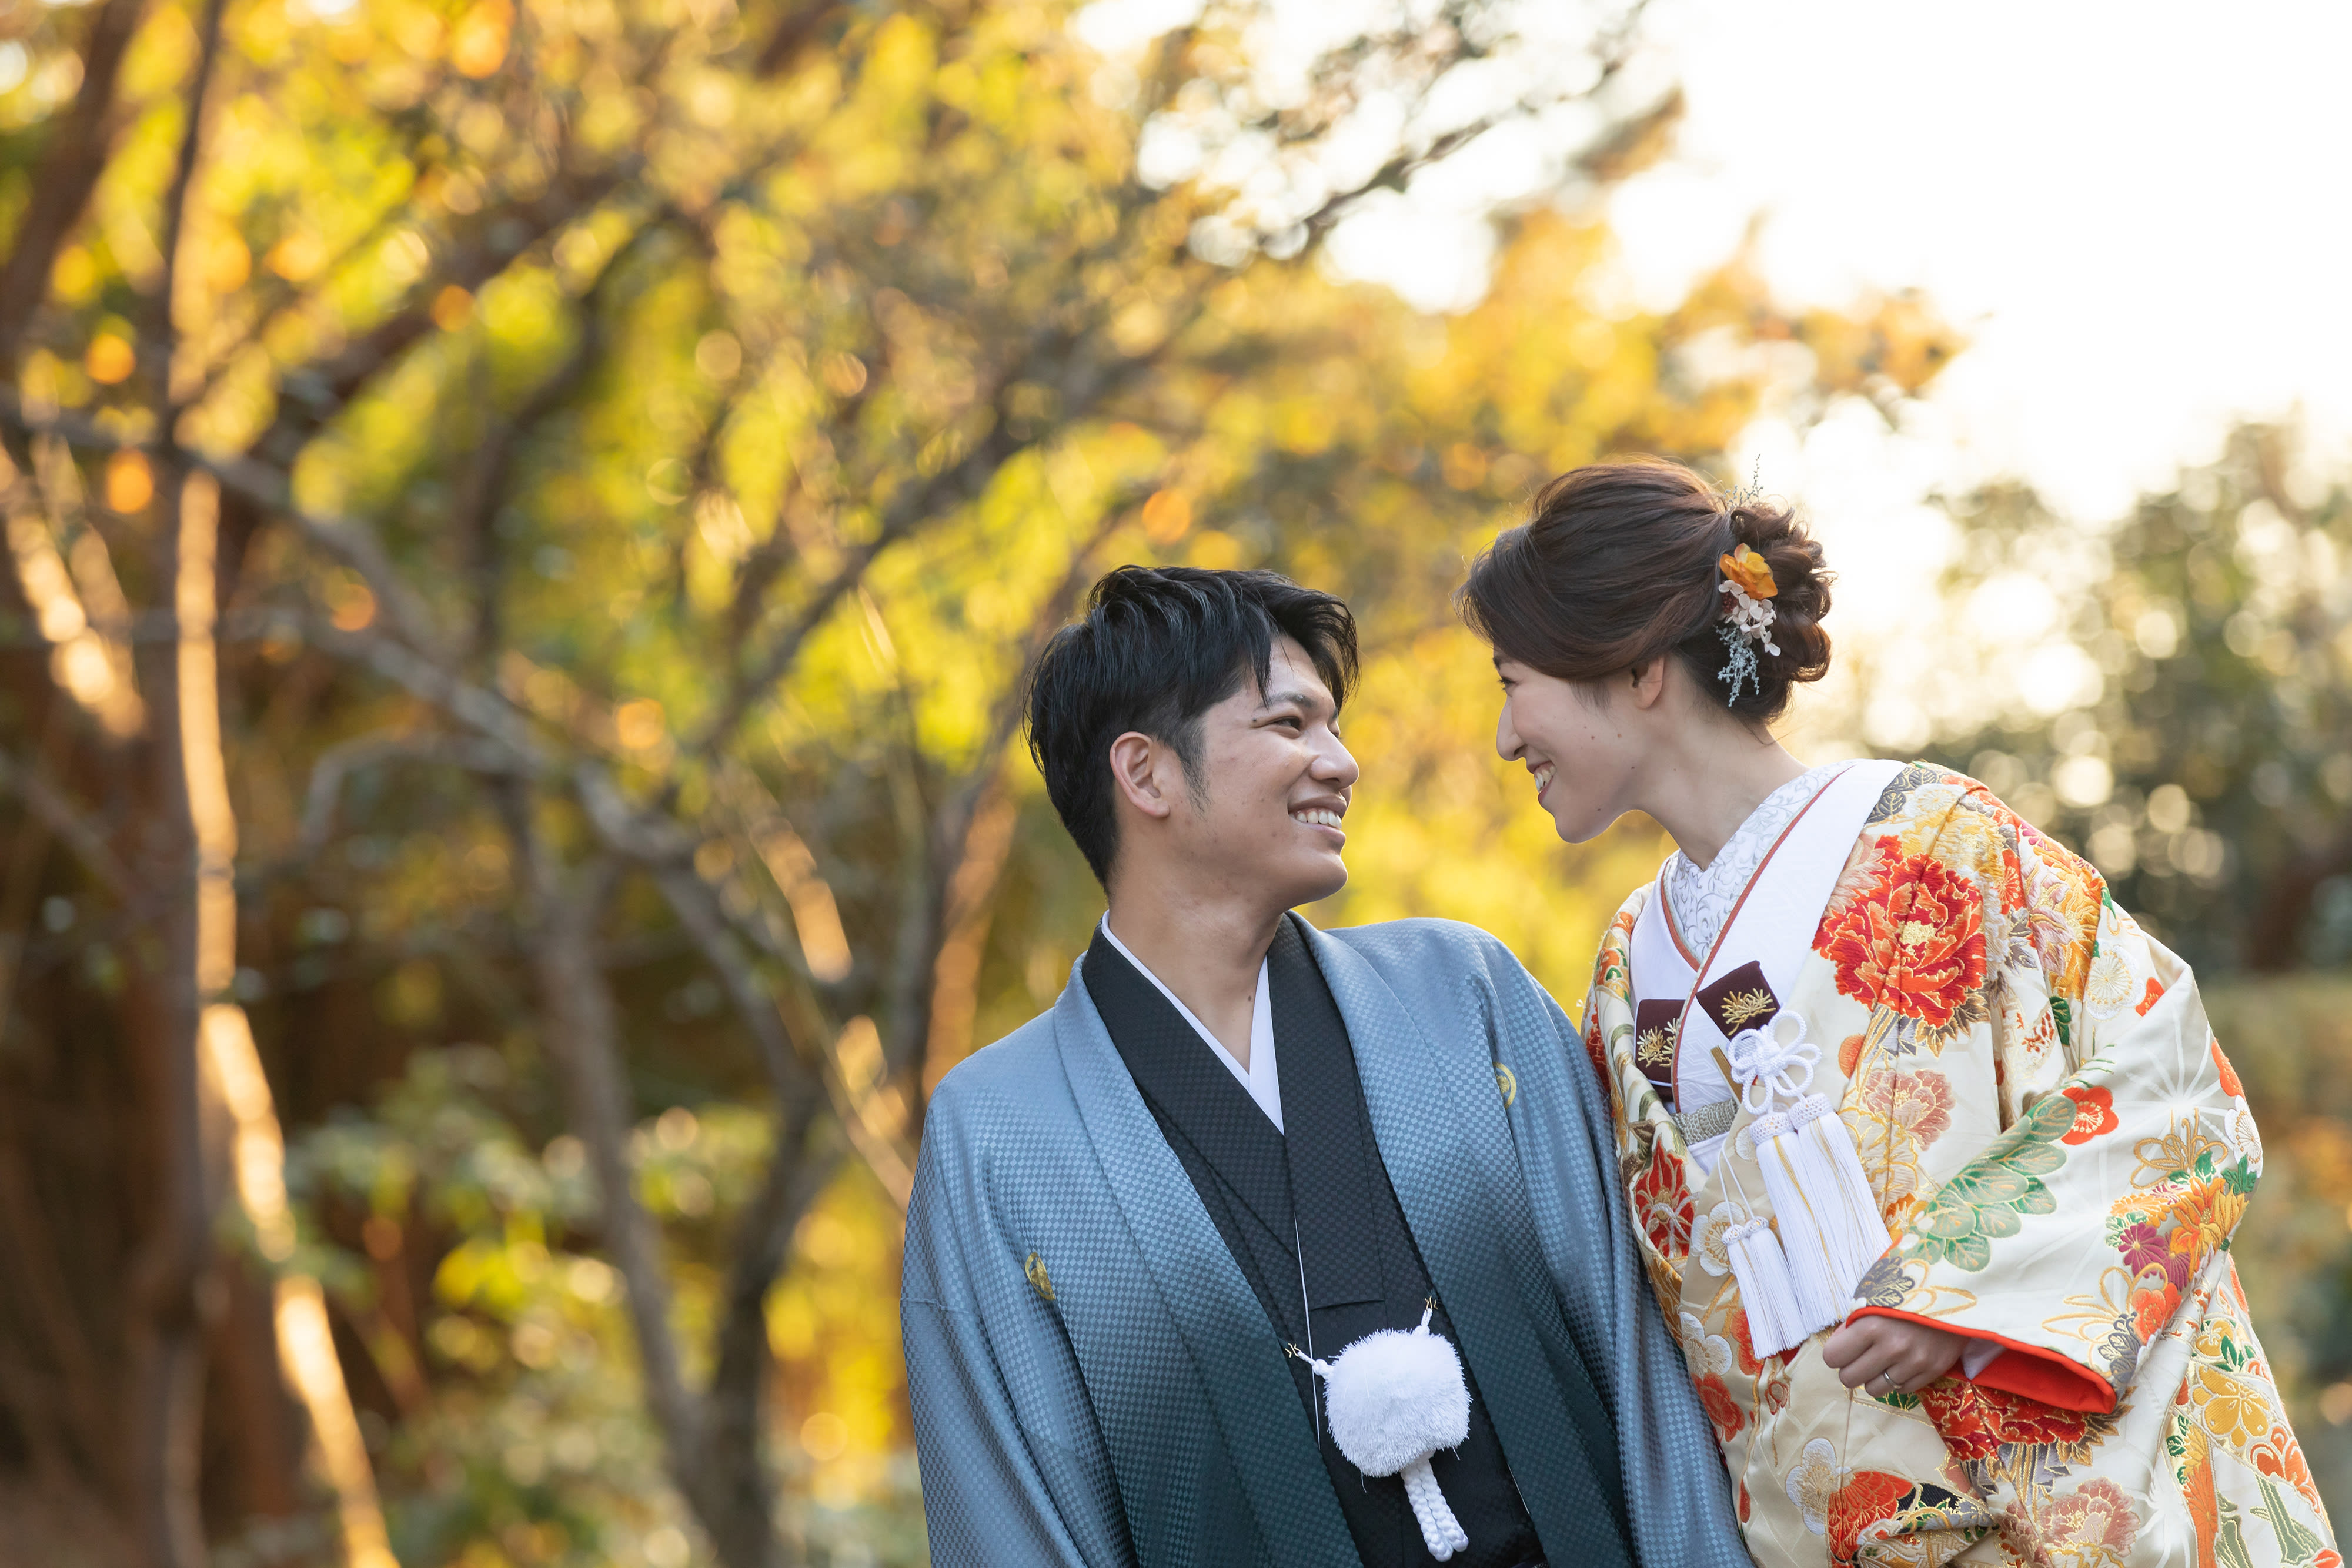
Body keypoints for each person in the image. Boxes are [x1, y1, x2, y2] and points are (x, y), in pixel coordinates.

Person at [1459, 457, 2337, 1567]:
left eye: (1514, 682)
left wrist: (1959, 1290)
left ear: (1636, 666)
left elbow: (2172, 1085)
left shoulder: (1942, 843)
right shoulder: (1631, 968)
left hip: (2042, 1508)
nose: (1506, 737)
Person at [901, 566, 1751, 1568]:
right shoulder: (999, 1133)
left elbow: (1646, 1359)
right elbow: (1011, 1519)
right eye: (1289, 724)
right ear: (1146, 774)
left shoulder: (1461, 991)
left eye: (1334, 727)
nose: (1341, 762)